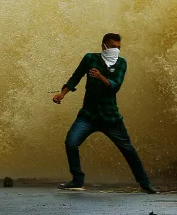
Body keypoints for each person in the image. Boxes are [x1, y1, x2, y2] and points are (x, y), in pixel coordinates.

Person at [51, 33, 158, 193]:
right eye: (113, 47)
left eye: (119, 47)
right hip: (88, 115)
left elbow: (115, 86)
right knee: (71, 142)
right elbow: (75, 77)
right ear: (104, 46)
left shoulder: (121, 63)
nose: (116, 50)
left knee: (128, 150)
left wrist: (101, 77)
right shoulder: (90, 58)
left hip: (110, 118)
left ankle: (145, 183)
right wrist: (63, 93)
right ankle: (77, 180)